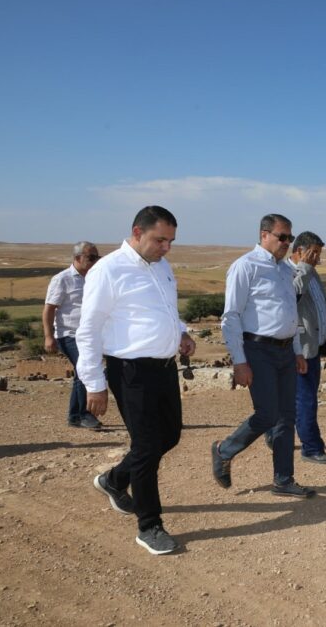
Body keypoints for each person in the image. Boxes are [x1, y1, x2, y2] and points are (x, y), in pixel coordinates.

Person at [75, 206, 195, 556]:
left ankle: (113, 480)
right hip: (130, 371)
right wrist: (94, 383)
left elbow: (164, 311)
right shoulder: (109, 271)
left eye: (171, 241)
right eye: (160, 240)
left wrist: (182, 333)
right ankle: (149, 526)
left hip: (163, 368)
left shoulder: (162, 266)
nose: (166, 248)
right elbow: (88, 329)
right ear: (137, 232)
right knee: (145, 447)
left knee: (169, 436)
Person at [212, 214, 314, 498]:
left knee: (286, 418)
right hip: (257, 350)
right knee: (268, 414)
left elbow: (289, 313)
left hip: (284, 352)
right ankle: (224, 451)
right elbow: (231, 316)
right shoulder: (245, 267)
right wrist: (239, 361)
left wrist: (295, 351)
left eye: (289, 238)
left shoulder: (284, 270)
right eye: (282, 237)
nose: (287, 242)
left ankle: (283, 479)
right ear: (264, 235)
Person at [266, 231, 326, 464]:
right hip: (300, 349)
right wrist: (305, 268)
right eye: (314, 253)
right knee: (305, 399)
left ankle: (272, 431)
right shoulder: (287, 272)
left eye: (318, 253)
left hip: (313, 347)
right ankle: (312, 448)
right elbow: (292, 296)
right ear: (300, 252)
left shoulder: (312, 273)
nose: (317, 258)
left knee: (295, 397)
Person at [42, 241, 102, 429]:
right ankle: (81, 415)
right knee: (85, 370)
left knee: (82, 372)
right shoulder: (63, 279)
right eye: (91, 257)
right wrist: (48, 336)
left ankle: (76, 416)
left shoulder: (94, 277)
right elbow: (49, 309)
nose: (95, 261)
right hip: (69, 334)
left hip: (90, 334)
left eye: (97, 257)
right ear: (77, 258)